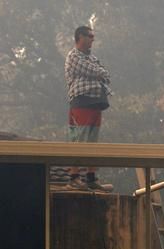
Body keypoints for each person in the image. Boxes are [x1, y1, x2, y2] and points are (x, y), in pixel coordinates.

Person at [64, 25, 112, 191]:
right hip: (81, 102)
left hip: (95, 103)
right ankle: (74, 177)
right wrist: (99, 72)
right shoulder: (73, 56)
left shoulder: (92, 57)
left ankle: (91, 178)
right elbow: (93, 71)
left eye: (93, 36)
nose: (93, 39)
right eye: (90, 36)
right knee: (80, 139)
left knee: (93, 142)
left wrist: (99, 72)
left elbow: (105, 73)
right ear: (80, 37)